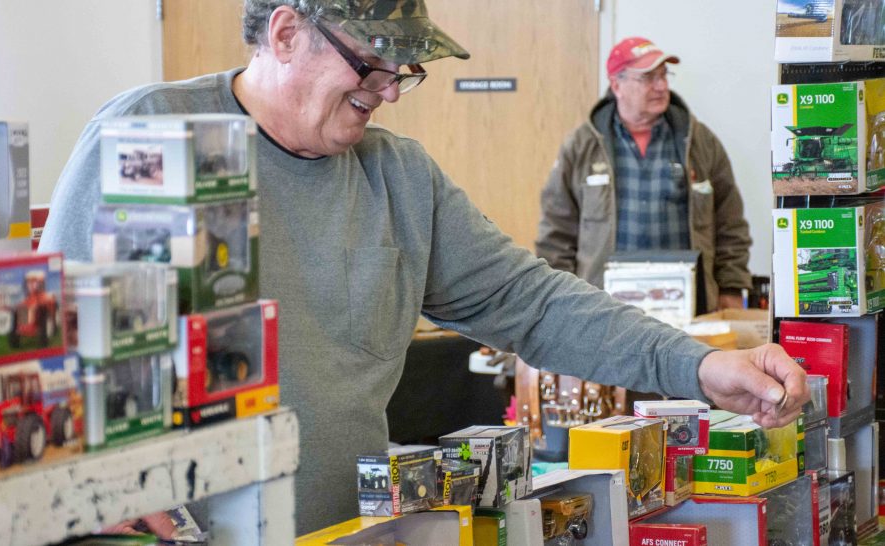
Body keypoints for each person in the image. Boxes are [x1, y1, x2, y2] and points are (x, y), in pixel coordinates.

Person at [40, 1, 807, 535]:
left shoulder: (400, 179)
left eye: (401, 72)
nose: (388, 92)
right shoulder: (146, 134)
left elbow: (534, 302)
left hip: (349, 531)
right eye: (371, 64)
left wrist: (699, 366)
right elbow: (42, 351)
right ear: (285, 32)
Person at [536, 37, 752, 312]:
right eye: (648, 78)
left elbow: (729, 222)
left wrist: (731, 287)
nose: (661, 86)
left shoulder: (699, 141)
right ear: (617, 85)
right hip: (602, 310)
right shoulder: (582, 145)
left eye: (663, 75)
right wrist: (558, 302)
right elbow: (556, 233)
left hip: (686, 305)